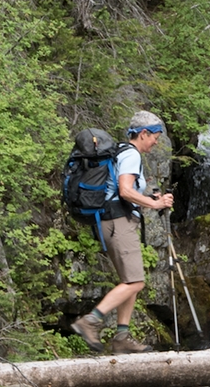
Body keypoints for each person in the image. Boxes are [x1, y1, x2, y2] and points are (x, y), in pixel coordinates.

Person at [71, 110, 174, 354]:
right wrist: (156, 204)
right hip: (118, 222)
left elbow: (123, 192)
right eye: (155, 136)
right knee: (135, 282)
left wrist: (148, 198)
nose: (156, 142)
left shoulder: (120, 152)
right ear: (143, 133)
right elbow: (125, 191)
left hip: (112, 221)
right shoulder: (130, 155)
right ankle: (90, 321)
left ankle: (121, 338)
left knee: (129, 282)